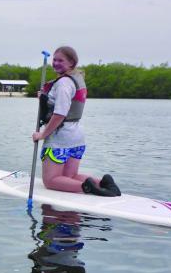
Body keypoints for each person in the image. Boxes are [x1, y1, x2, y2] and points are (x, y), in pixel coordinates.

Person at [31, 46, 121, 197]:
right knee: (69, 177)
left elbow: (60, 113)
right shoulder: (77, 78)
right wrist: (45, 97)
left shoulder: (64, 83)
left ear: (72, 63)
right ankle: (103, 183)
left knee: (51, 180)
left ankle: (87, 187)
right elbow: (64, 103)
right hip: (77, 137)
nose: (55, 63)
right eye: (54, 59)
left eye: (61, 60)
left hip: (60, 137)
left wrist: (43, 134)